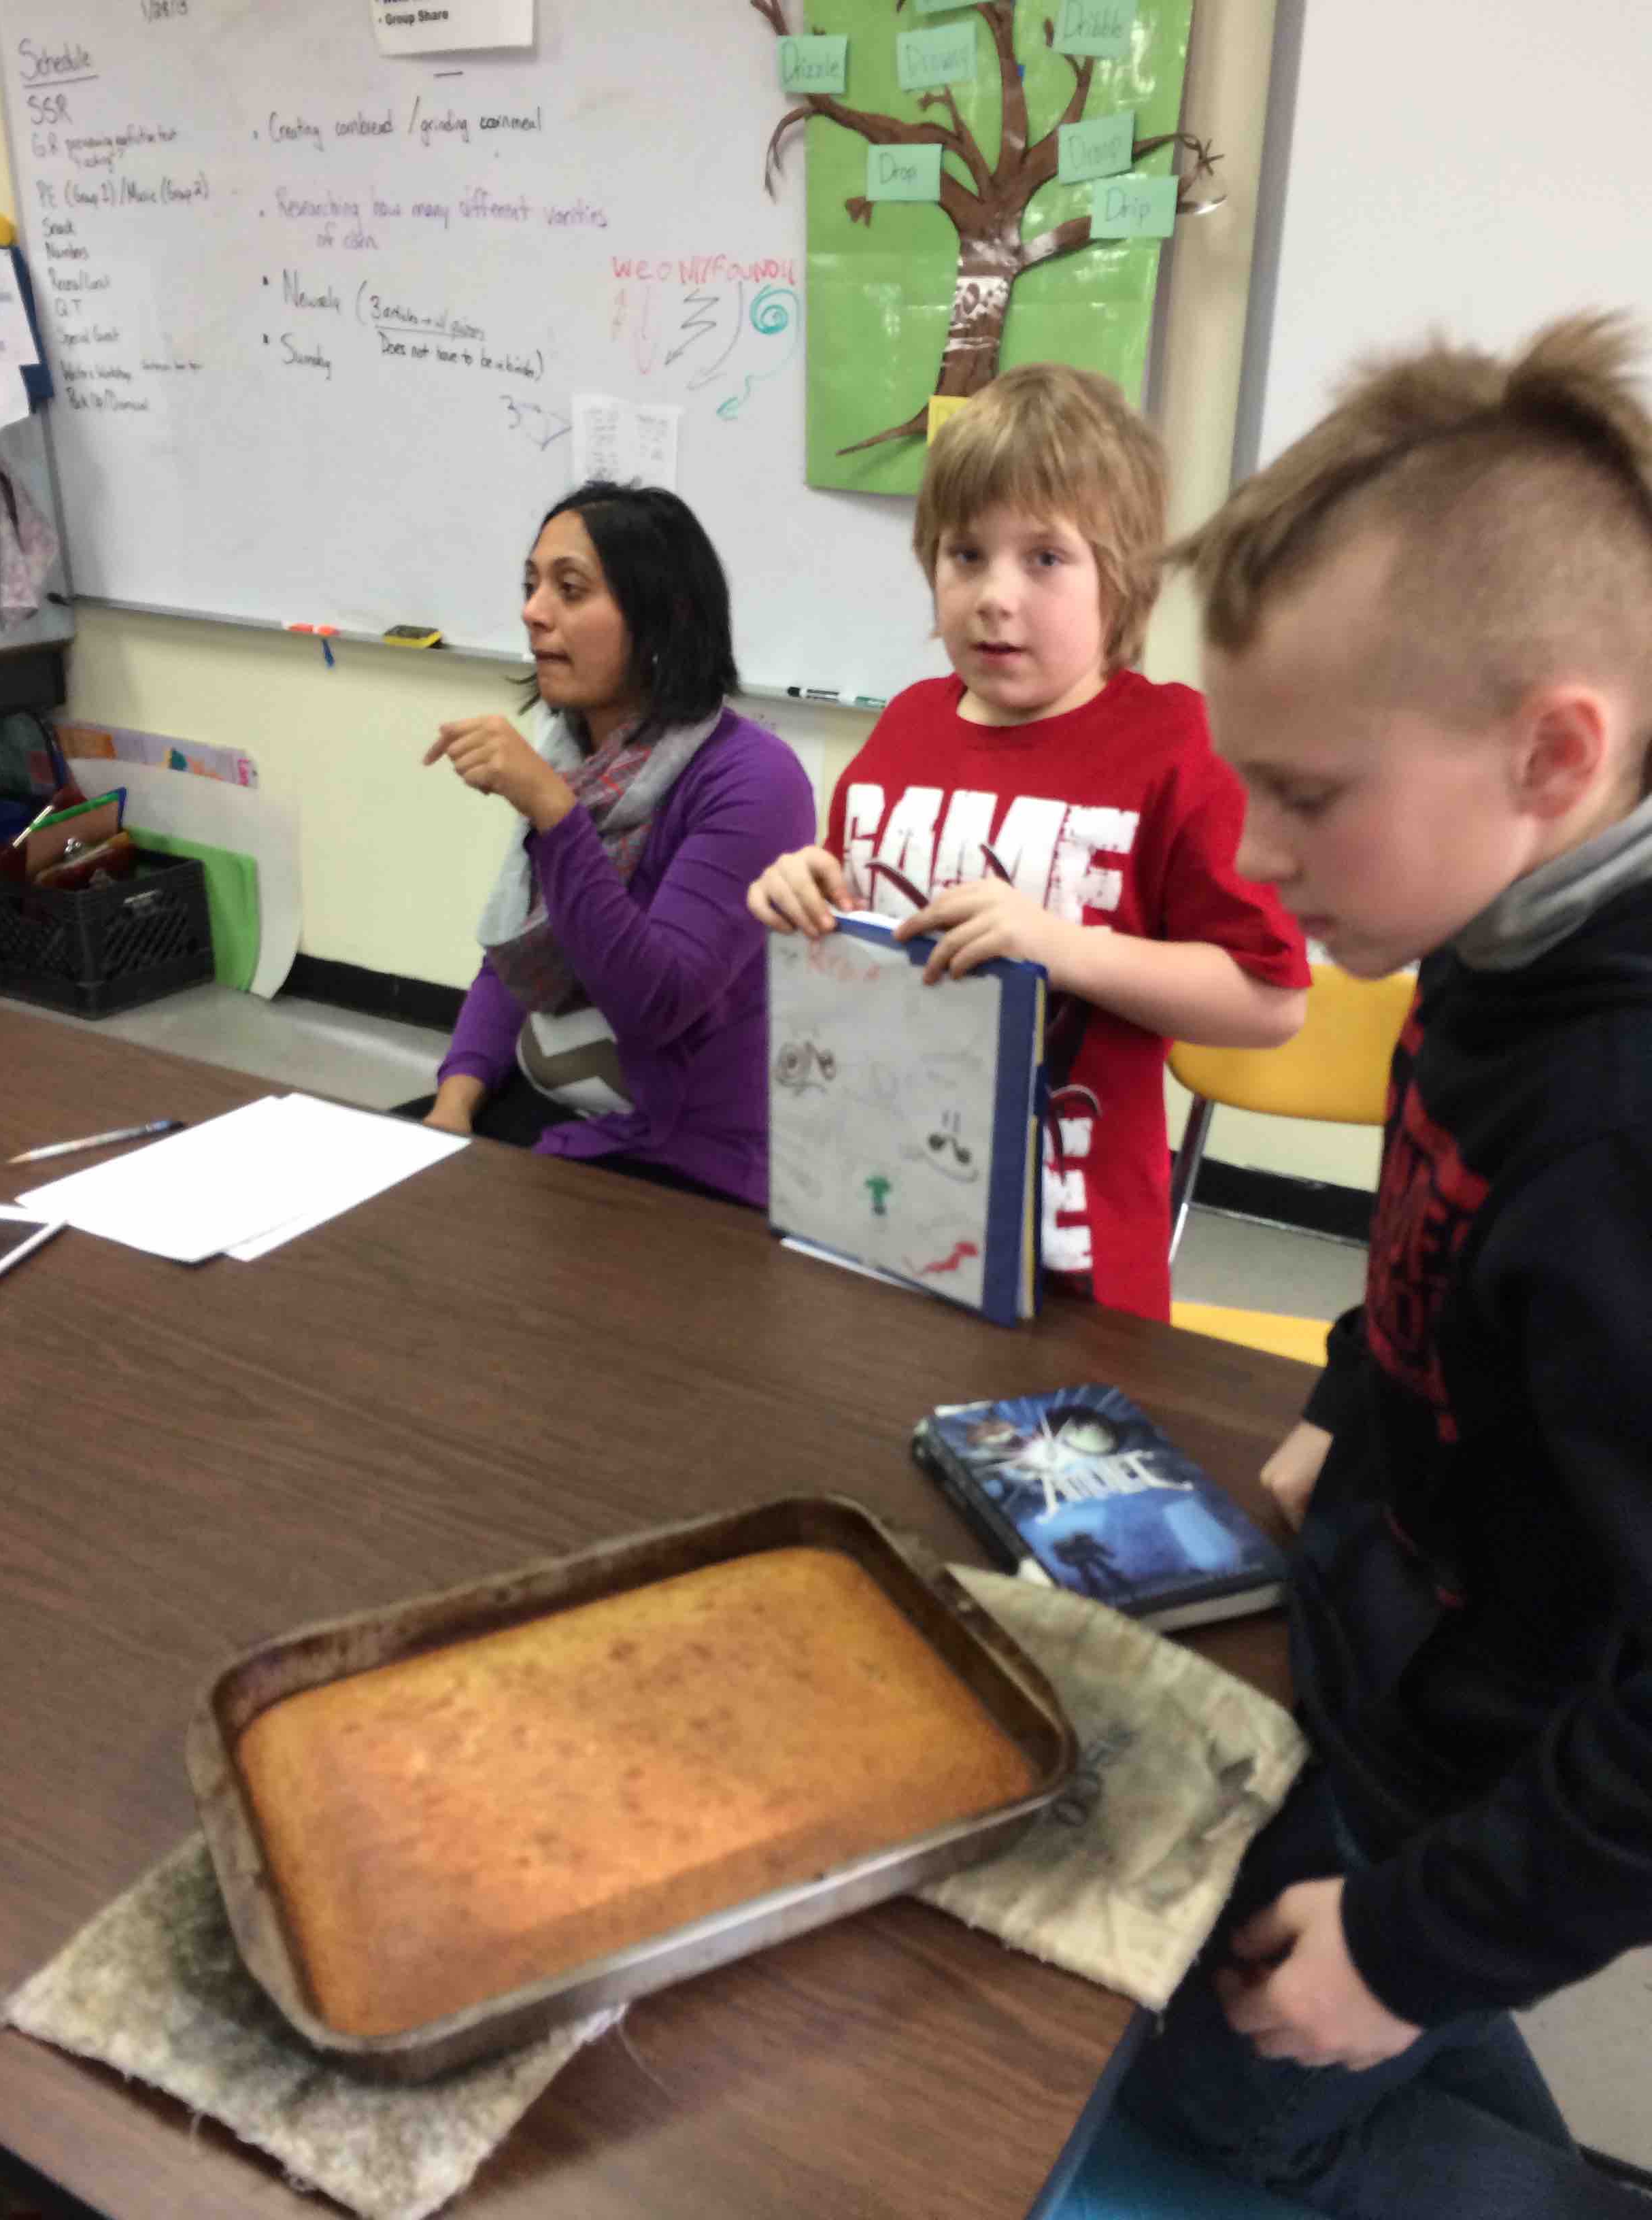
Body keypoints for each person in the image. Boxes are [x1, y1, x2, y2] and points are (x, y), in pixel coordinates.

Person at [1065, 314, 1652, 2219]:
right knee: (1301, 2022)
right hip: (1392, 1666)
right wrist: (1353, 1388)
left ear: (1551, 754)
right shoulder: (1497, 935)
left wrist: (1410, 1947)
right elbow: (1434, 1218)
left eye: (1306, 796)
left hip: (1492, 1760)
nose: (1254, 852)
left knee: (1235, 2105)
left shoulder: (1623, 1117)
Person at [746, 363, 1309, 1320]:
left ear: (1121, 577)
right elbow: (858, 916)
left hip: (1074, 1270)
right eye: (966, 554)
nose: (994, 597)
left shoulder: (1178, 748)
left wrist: (1061, 947)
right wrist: (806, 889)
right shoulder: (906, 727)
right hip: (874, 1214)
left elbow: (1270, 1002)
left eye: (1045, 557)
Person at [411, 480, 813, 1207]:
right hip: (544, 1108)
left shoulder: (755, 780)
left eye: (570, 589)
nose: (533, 612)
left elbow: (656, 1003)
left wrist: (553, 812)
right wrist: (454, 1101)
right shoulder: (573, 752)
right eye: (532, 586)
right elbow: (519, 953)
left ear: (662, 617)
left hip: (678, 1158)